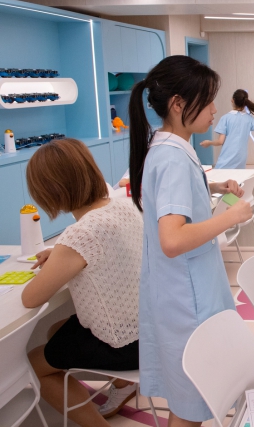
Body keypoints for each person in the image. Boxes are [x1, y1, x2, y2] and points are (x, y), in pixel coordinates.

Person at [129, 56, 253, 427]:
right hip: (188, 300)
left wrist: (212, 187)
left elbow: (174, 202)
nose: (215, 110)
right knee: (191, 404)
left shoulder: (170, 148)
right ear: (178, 104)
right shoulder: (172, 158)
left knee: (191, 398)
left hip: (185, 291)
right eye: (208, 100)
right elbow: (172, 239)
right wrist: (229, 216)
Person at [21, 138, 143, 426]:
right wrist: (62, 253)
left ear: (52, 191)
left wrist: (63, 252)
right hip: (152, 330)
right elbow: (107, 248)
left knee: (34, 365)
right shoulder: (124, 206)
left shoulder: (81, 233)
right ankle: (124, 385)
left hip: (126, 345)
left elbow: (30, 298)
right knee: (55, 330)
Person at [200, 89, 254, 168]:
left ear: (232, 100)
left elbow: (220, 141)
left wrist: (208, 142)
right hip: (241, 160)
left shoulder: (225, 118)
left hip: (225, 161)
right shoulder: (249, 118)